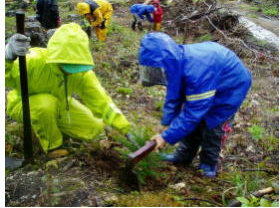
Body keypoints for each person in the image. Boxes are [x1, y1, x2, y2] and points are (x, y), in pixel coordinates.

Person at [139, 32, 252, 177]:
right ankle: (184, 156)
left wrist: (166, 137)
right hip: (210, 78)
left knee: (213, 126)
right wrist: (168, 123)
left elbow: (192, 114)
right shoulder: (175, 64)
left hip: (230, 86)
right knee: (193, 122)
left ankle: (209, 164)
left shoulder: (195, 72)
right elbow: (173, 96)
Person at [5, 23, 130, 153]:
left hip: (60, 104)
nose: (71, 71)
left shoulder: (81, 72)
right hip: (22, 104)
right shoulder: (34, 60)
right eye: (67, 64)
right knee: (46, 105)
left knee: (96, 128)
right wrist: (7, 56)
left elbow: (101, 101)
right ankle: (53, 147)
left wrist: (125, 128)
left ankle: (52, 123)